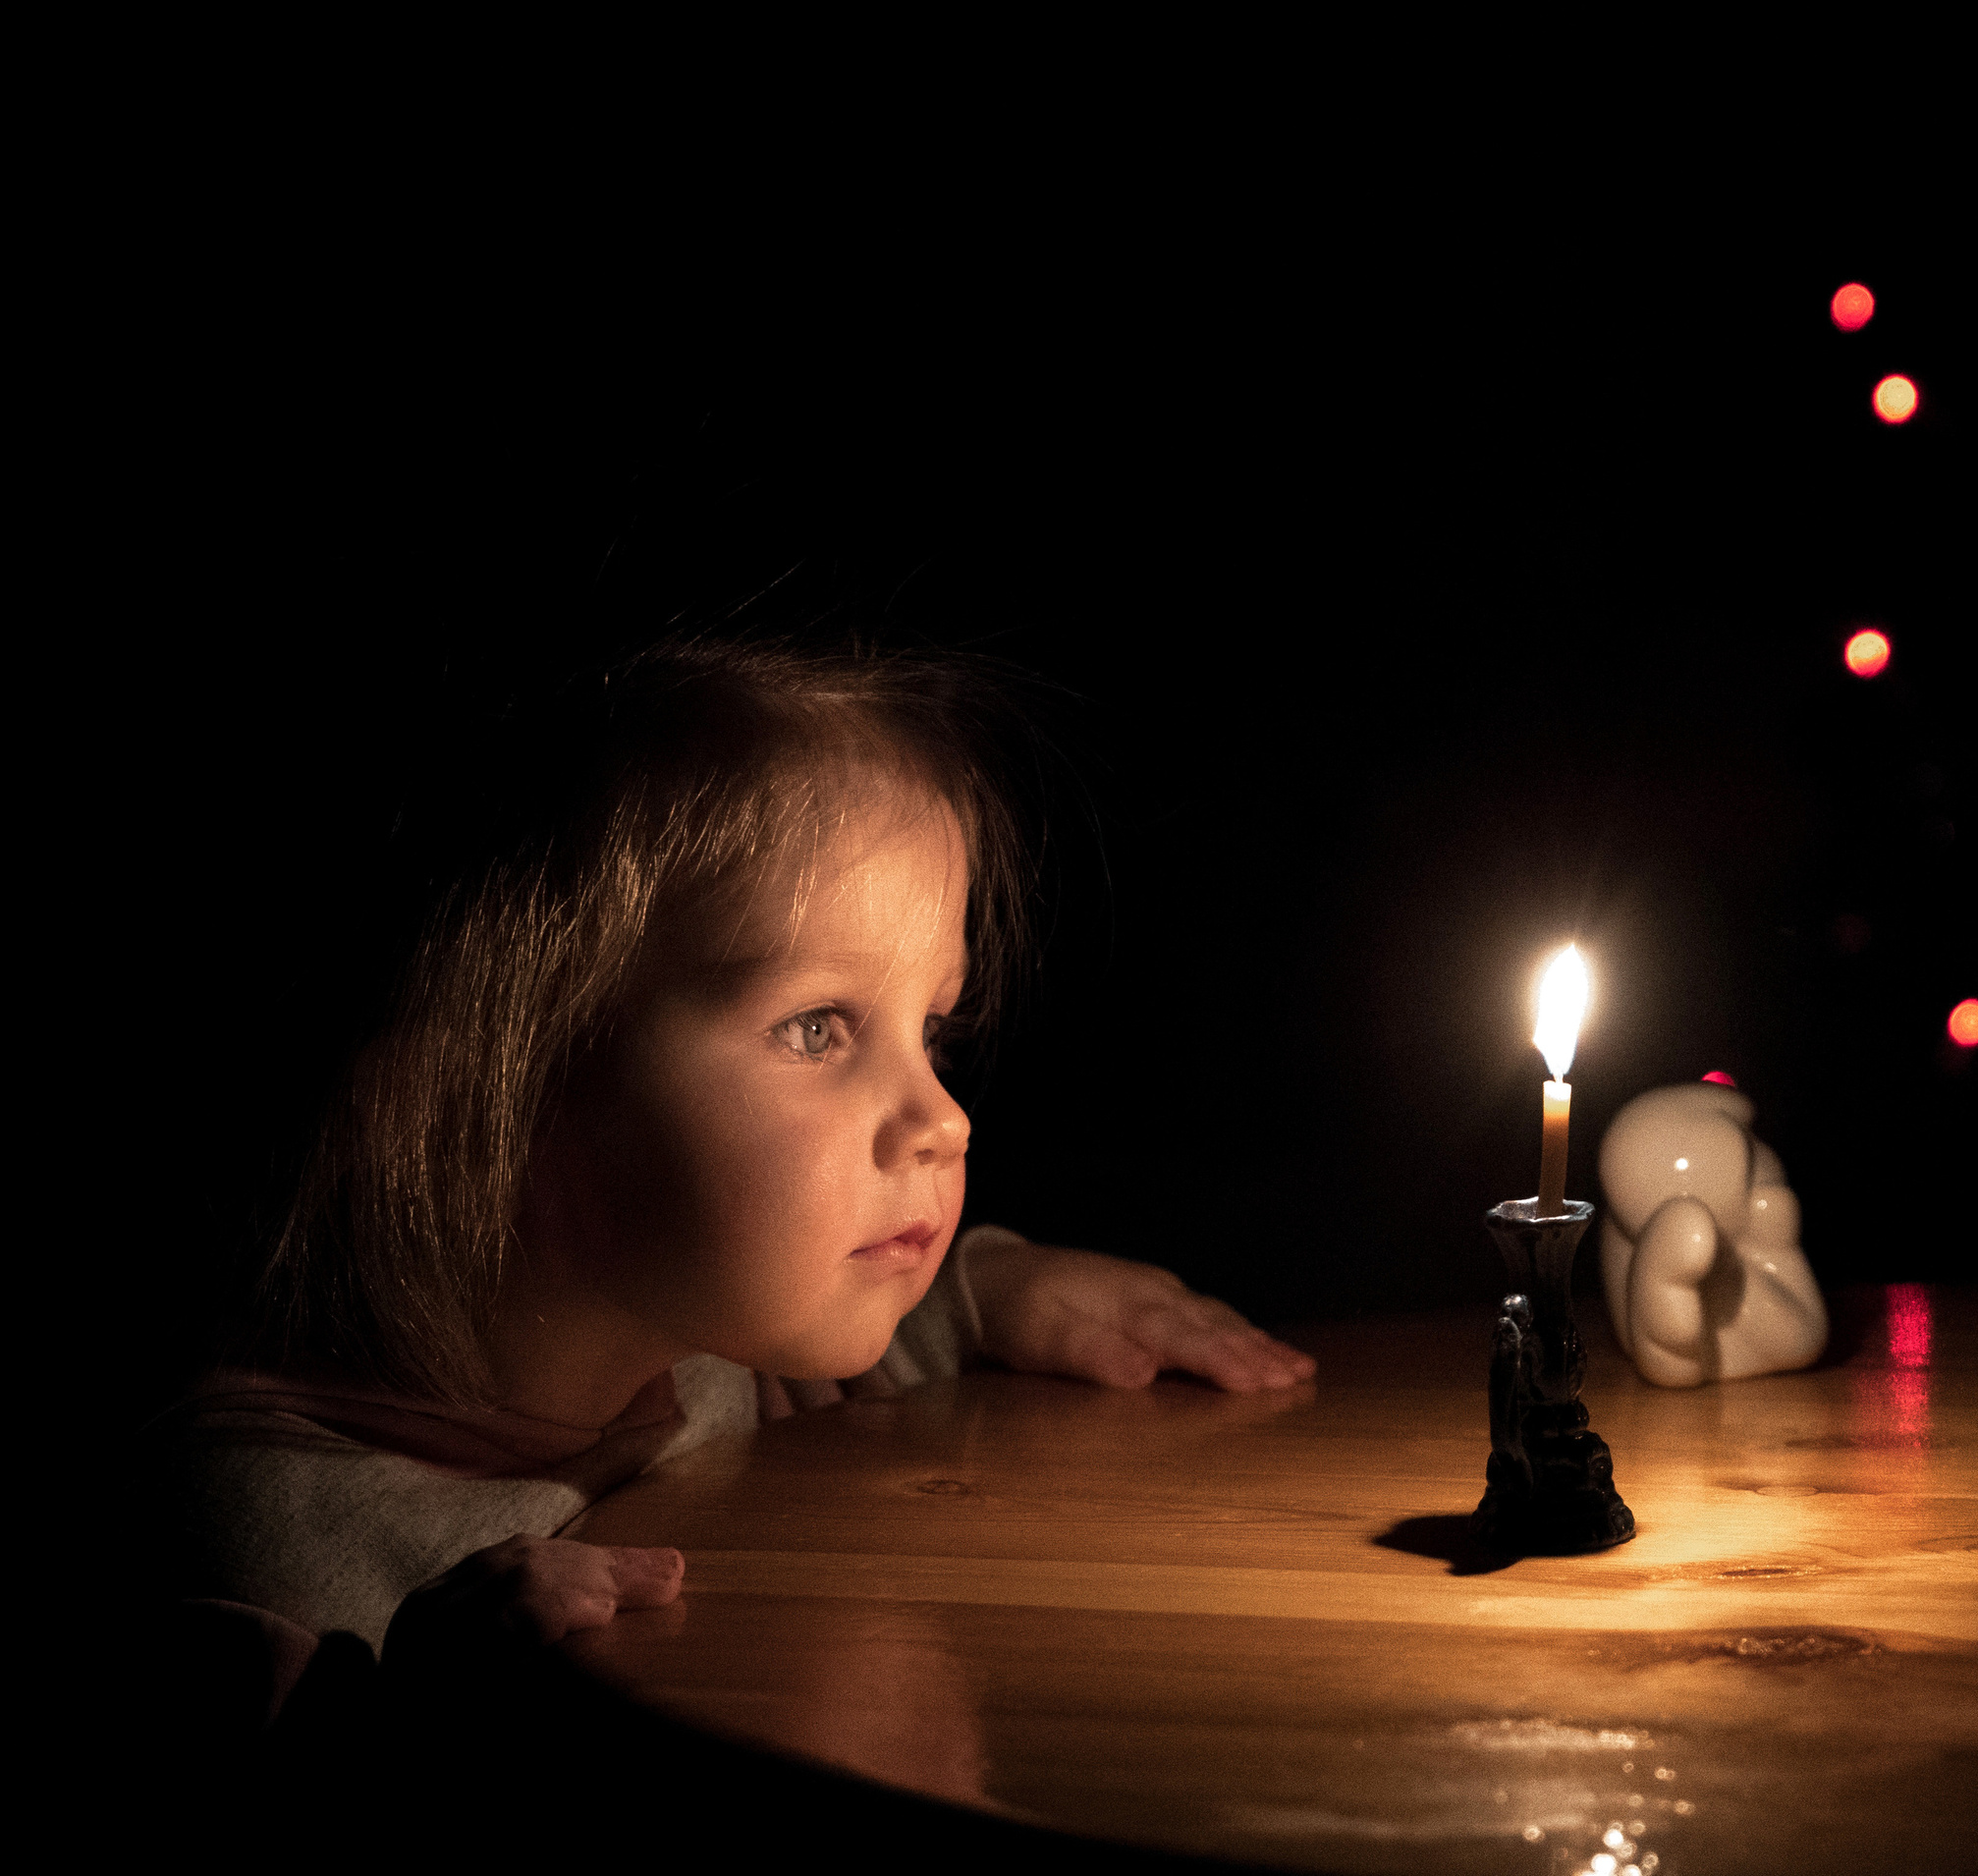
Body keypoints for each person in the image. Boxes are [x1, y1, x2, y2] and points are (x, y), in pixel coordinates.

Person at [147, 637, 1315, 1744]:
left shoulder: (709, 1357)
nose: (945, 1119)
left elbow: (830, 1358)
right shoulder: (251, 1537)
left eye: (932, 1030)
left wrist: (992, 1288)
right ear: (487, 1093)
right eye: (816, 1027)